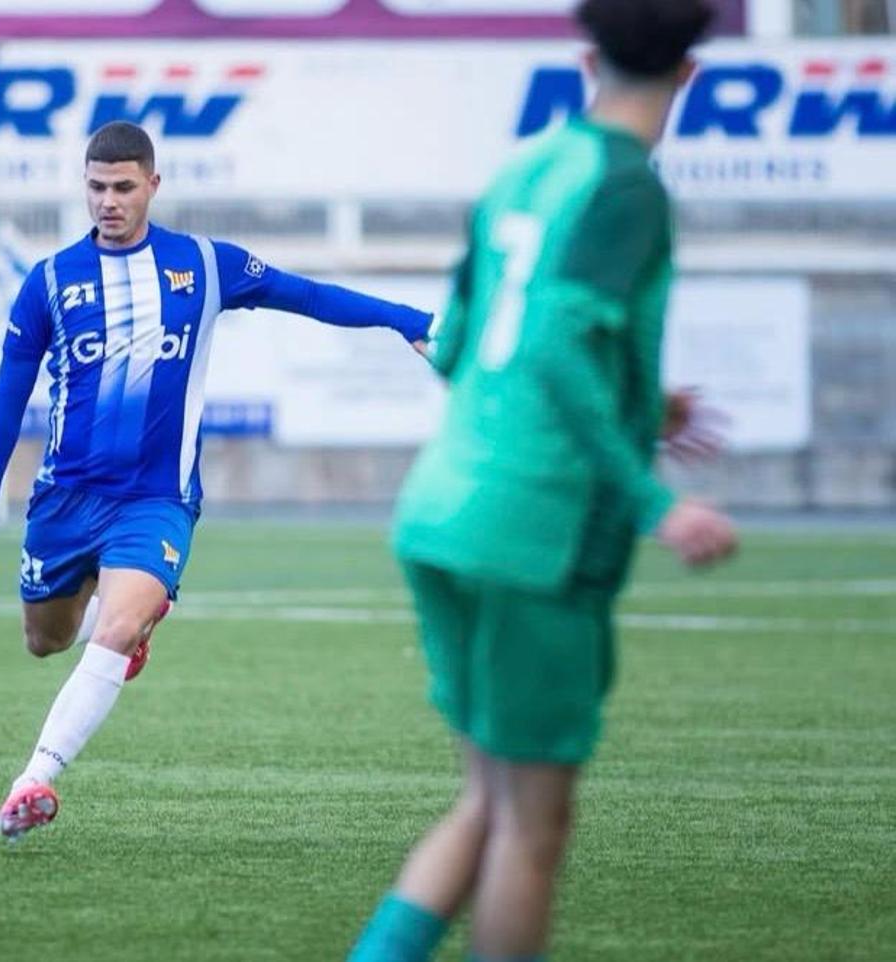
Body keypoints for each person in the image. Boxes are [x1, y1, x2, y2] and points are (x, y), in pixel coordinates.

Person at [347, 2, 737, 960]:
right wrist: (653, 500)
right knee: (531, 828)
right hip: (532, 535)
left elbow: (454, 345)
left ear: (583, 57)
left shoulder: (524, 170)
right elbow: (559, 339)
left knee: (488, 802)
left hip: (441, 510)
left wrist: (641, 410)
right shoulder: (626, 188)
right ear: (691, 74)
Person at [0, 121, 432, 841]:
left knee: (116, 625)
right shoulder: (48, 282)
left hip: (156, 500)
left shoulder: (202, 265)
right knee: (46, 640)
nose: (108, 202)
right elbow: (7, 396)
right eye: (96, 188)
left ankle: (34, 780)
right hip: (64, 501)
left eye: (123, 187)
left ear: (153, 185)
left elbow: (308, 295)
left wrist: (407, 319)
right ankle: (115, 626)